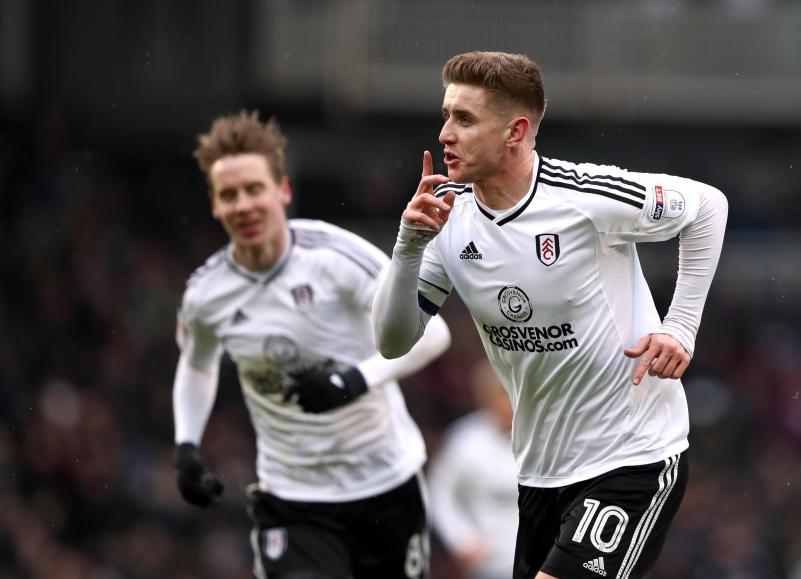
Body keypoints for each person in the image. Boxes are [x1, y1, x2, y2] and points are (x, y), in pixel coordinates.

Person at [372, 51, 728, 579]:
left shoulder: (585, 196)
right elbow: (392, 340)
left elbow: (707, 207)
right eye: (446, 115)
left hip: (631, 455)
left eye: (464, 119)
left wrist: (681, 326)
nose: (445, 133)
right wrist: (408, 246)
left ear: (516, 131)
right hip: (541, 471)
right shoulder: (447, 218)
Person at [171, 110, 450, 579]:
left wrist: (352, 380)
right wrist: (185, 446)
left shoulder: (336, 257)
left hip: (385, 484)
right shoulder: (205, 293)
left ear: (283, 191)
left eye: (254, 189)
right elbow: (197, 365)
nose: (243, 205)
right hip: (292, 499)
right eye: (228, 194)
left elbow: (433, 334)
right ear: (215, 204)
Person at [428, 360, 519, 579]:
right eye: (501, 395)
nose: (508, 404)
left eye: (512, 395)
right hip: (489, 563)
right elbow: (440, 493)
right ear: (485, 399)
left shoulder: (544, 439)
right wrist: (460, 540)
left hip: (543, 562)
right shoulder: (465, 441)